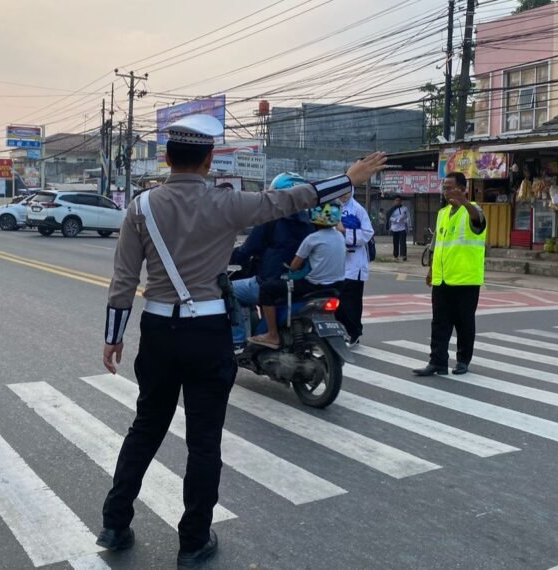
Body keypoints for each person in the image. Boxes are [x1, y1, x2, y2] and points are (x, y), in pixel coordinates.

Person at [98, 113, 386, 568]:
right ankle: (193, 542)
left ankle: (115, 523)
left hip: (157, 332)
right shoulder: (229, 205)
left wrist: (113, 337)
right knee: (204, 440)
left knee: (146, 427)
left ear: (168, 157)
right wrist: (347, 179)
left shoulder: (141, 207)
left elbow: (123, 279)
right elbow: (288, 200)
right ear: (209, 160)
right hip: (208, 332)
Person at [413, 172, 487, 377]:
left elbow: (478, 220)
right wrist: (431, 270)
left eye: (450, 187)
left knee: (464, 323)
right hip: (442, 278)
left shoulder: (472, 209)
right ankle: (437, 362)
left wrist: (465, 202)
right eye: (444, 187)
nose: (446, 191)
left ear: (463, 189)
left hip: (465, 279)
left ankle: (463, 360)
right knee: (439, 323)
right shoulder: (443, 213)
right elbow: (437, 244)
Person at [229, 173, 314, 345]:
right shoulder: (310, 222)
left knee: (228, 290)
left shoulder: (270, 219)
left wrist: (228, 257)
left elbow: (248, 249)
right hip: (301, 284)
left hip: (271, 281)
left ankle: (238, 340)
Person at [249, 201, 346, 349]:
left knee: (267, 289)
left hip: (313, 286)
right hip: (337, 286)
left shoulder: (312, 238)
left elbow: (294, 266)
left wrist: (289, 267)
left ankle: (272, 335)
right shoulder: (339, 237)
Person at [337, 185, 374, 347]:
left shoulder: (358, 209)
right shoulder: (332, 207)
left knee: (351, 301)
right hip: (337, 261)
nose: (344, 195)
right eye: (341, 191)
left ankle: (354, 333)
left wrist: (345, 232)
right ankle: (340, 331)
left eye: (347, 191)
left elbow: (367, 233)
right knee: (335, 300)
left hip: (354, 263)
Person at [388, 196, 411, 261]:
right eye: (396, 200)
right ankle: (395, 255)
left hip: (402, 228)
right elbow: (389, 218)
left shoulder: (405, 209)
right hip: (394, 228)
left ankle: (403, 255)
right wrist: (396, 220)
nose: (398, 202)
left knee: (403, 242)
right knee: (395, 242)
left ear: (401, 201)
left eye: (399, 200)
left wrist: (406, 222)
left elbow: (408, 217)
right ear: (394, 201)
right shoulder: (392, 209)